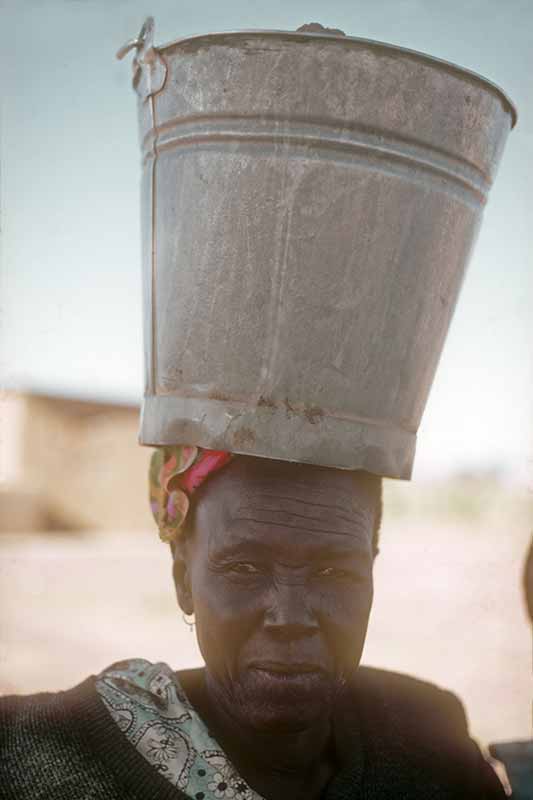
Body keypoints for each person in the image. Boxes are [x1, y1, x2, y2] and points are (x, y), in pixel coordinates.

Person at [0, 446, 506, 799]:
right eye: (244, 567)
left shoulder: (428, 737)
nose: (289, 616)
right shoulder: (34, 754)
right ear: (183, 580)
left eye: (334, 570)